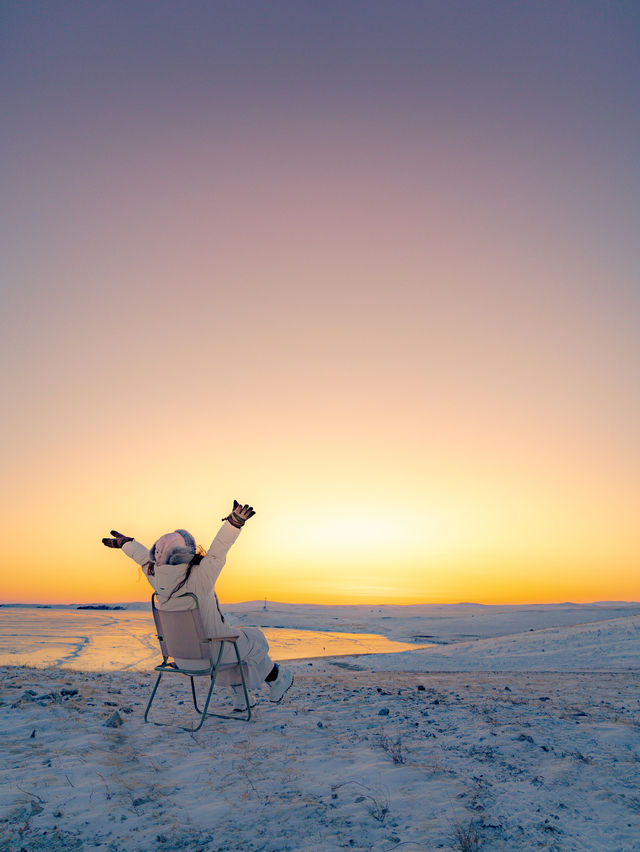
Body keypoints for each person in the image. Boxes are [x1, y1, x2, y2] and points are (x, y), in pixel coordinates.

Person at [102, 500, 293, 710]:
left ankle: (243, 699)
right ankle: (276, 680)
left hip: (181, 658)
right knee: (253, 640)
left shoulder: (155, 575)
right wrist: (233, 523)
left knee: (234, 644)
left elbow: (141, 558)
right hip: (211, 656)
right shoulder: (201, 576)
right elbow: (218, 551)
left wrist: (125, 544)